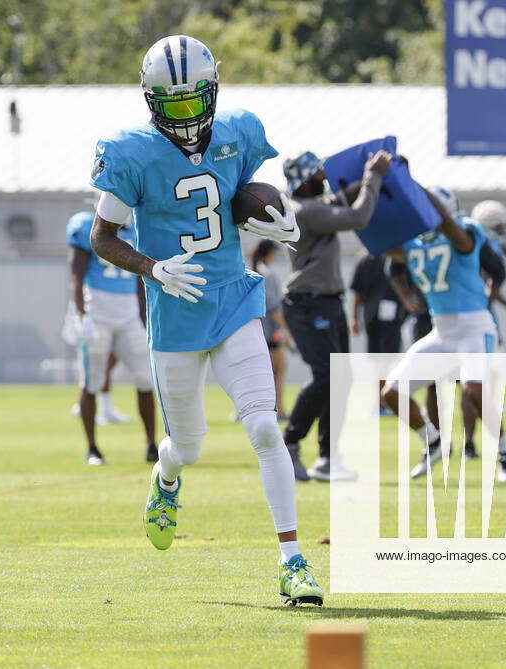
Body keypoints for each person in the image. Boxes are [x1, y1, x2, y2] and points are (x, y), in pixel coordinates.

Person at [88, 35, 323, 606]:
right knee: (187, 447)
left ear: (213, 93)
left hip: (235, 298)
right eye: (173, 106)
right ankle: (167, 477)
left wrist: (280, 221)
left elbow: (246, 195)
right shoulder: (131, 152)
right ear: (151, 102)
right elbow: (102, 237)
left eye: (195, 103)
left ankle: (292, 561)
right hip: (175, 313)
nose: (188, 119)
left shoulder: (238, 131)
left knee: (265, 428)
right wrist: (152, 269)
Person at [380, 186, 506, 482]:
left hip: (475, 329)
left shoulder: (464, 234)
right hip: (441, 332)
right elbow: (378, 244)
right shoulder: (415, 244)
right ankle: (434, 442)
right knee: (391, 393)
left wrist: (413, 185)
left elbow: (458, 236)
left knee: (473, 391)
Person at [280, 149, 392, 482]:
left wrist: (373, 174)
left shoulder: (313, 206)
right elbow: (357, 217)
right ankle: (289, 442)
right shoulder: (307, 210)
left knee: (339, 379)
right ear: (305, 179)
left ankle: (328, 457)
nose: (324, 177)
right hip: (307, 302)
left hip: (326, 301)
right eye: (317, 173)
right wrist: (374, 178)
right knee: (327, 375)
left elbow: (343, 198)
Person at [67, 210, 158, 466]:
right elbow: (76, 274)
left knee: (144, 379)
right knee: (92, 381)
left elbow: (140, 277)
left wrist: (144, 315)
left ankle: (152, 445)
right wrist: (81, 313)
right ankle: (92, 448)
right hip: (97, 311)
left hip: (128, 313)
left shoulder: (137, 227)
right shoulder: (86, 224)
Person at [250, 240, 292, 424]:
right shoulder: (269, 276)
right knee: (279, 370)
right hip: (271, 332)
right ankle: (279, 409)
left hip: (256, 331)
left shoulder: (253, 272)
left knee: (260, 374)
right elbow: (274, 308)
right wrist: (287, 329)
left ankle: (255, 410)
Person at [350, 252, 404, 354]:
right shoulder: (394, 256)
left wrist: (355, 319)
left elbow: (357, 293)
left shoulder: (364, 260)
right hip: (389, 312)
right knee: (389, 354)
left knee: (375, 353)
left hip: (370, 313)